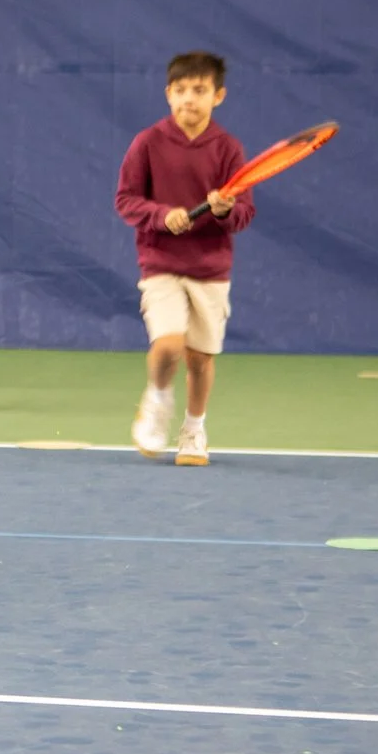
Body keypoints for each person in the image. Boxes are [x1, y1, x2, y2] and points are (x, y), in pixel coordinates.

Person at [114, 51, 253, 466]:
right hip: (161, 264)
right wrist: (161, 215)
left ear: (218, 96)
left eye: (199, 90)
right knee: (169, 345)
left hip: (211, 269)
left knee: (200, 358)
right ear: (168, 95)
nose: (189, 98)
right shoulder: (147, 142)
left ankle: (194, 428)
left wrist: (225, 210)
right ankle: (158, 399)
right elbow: (126, 200)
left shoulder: (228, 149)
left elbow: (244, 214)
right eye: (180, 90)